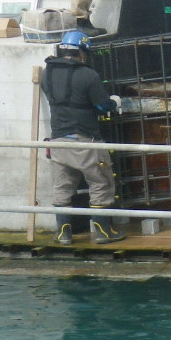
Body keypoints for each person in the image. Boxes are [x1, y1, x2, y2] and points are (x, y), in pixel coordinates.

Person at [41, 30, 127, 245]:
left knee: (62, 186)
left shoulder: (46, 74)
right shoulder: (88, 75)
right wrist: (115, 102)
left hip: (58, 141)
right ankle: (103, 232)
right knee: (100, 183)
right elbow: (102, 106)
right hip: (86, 141)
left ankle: (63, 234)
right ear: (81, 52)